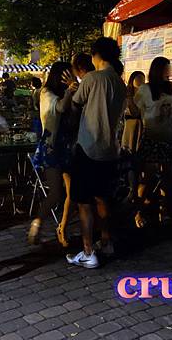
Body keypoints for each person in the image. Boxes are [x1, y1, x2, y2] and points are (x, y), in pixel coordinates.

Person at [65, 37, 127, 269]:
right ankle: (107, 242)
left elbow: (76, 104)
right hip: (110, 149)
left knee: (83, 202)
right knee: (103, 198)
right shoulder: (119, 82)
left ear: (96, 55)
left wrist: (73, 88)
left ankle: (88, 251)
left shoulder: (92, 78)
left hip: (88, 147)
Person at [29, 62, 77, 247]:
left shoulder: (68, 92)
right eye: (67, 75)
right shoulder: (46, 93)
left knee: (73, 192)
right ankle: (37, 223)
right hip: (51, 147)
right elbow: (61, 108)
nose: (69, 78)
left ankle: (62, 228)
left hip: (67, 147)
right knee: (56, 192)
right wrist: (69, 91)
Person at [134, 57, 172, 226]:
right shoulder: (145, 89)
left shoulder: (170, 87)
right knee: (147, 178)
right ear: (158, 70)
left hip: (171, 138)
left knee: (167, 177)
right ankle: (139, 212)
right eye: (167, 68)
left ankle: (164, 211)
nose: (170, 72)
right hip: (152, 138)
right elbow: (135, 110)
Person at [122, 71, 145, 202]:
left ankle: (136, 190)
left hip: (139, 128)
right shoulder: (126, 93)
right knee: (129, 159)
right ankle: (131, 189)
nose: (141, 81)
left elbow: (137, 112)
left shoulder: (143, 95)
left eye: (143, 78)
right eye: (138, 78)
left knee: (137, 160)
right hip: (129, 129)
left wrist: (130, 99)